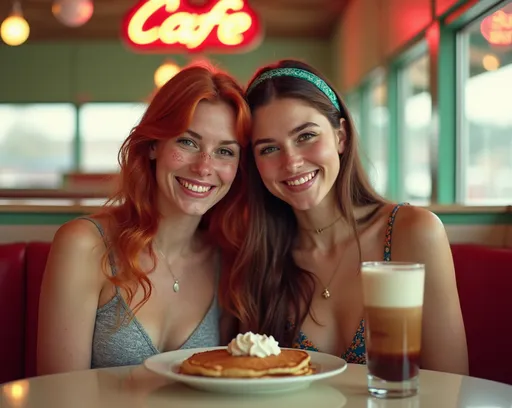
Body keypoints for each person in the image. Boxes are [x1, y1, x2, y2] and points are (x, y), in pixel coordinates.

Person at [221, 59, 468, 375]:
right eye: (269, 149)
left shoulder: (414, 231)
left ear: (341, 135)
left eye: (306, 136)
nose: (292, 162)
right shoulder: (256, 253)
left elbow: (452, 384)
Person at [37, 63, 251, 375]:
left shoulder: (228, 258)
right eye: (188, 142)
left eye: (225, 152)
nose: (204, 167)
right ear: (153, 145)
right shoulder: (84, 244)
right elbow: (59, 394)